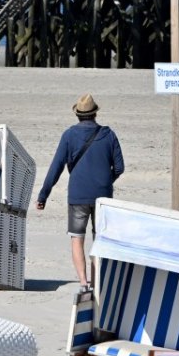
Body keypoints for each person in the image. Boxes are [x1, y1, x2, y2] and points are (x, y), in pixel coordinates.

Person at [36, 94, 124, 288]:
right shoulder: (108, 134)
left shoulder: (69, 135)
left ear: (78, 114)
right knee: (99, 240)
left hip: (77, 196)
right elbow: (119, 167)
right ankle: (98, 282)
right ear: (95, 114)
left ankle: (84, 282)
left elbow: (56, 167)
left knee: (77, 239)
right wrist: (106, 182)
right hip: (103, 197)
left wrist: (43, 195)